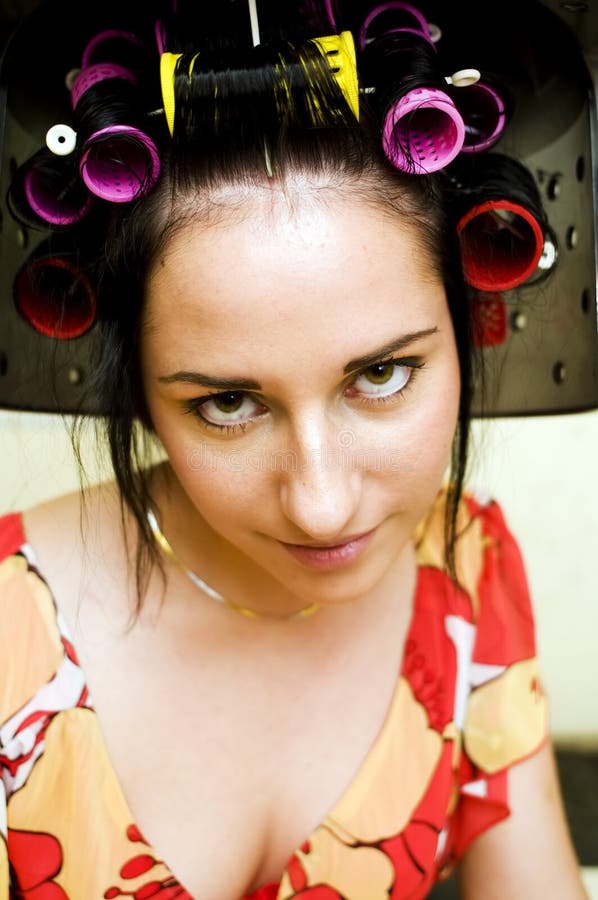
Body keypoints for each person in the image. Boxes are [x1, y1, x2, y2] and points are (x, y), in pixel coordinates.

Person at [0, 0, 589, 897]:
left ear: (467, 328)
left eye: (383, 376)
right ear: (139, 387)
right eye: (228, 402)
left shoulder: (467, 573)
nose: (321, 503)